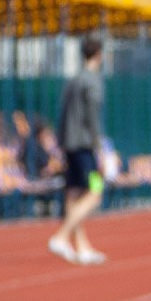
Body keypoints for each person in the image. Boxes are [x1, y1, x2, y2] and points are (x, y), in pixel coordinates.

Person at [48, 36, 106, 265]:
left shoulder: (73, 80)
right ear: (99, 54)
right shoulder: (92, 81)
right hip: (85, 145)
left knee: (73, 194)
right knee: (95, 192)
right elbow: (92, 117)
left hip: (69, 144)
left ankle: (81, 247)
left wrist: (60, 142)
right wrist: (99, 147)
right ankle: (61, 236)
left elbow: (62, 113)